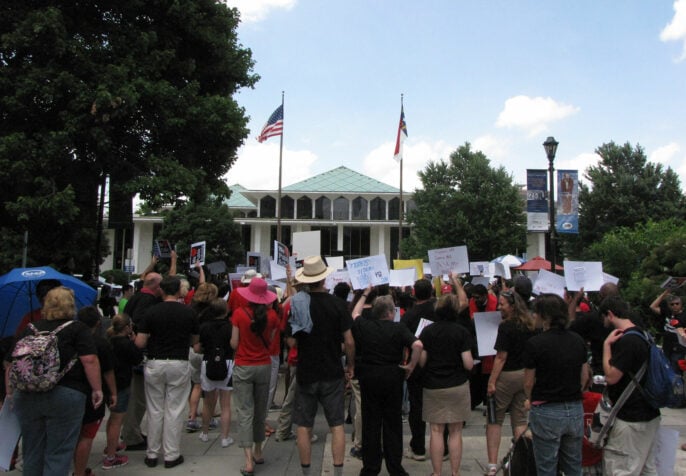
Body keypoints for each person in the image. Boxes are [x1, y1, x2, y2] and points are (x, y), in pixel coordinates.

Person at [6, 286, 103, 476]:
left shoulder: (29, 329)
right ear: (71, 305)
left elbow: (11, 363)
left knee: (32, 450)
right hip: (66, 393)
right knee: (59, 452)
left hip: (27, 395)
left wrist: (10, 392)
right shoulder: (77, 329)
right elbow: (89, 360)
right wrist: (97, 389)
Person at [289, 255, 355, 476]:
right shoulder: (338, 304)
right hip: (332, 370)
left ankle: (306, 471)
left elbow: (291, 340)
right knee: (336, 424)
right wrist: (351, 365)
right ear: (324, 278)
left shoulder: (298, 303)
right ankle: (338, 471)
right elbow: (349, 340)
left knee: (304, 425)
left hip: (307, 369)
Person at [352, 294, 423, 476]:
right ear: (391, 313)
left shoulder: (366, 326)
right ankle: (394, 467)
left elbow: (355, 314)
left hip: (370, 376)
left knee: (371, 423)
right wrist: (410, 367)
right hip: (392, 376)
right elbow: (417, 344)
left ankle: (371, 467)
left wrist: (365, 293)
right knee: (392, 424)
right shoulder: (398, 328)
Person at [134, 275, 199, 469]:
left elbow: (140, 342)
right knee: (175, 409)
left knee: (155, 409)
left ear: (161, 290)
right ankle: (171, 454)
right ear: (179, 290)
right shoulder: (188, 313)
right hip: (178, 360)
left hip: (155, 361)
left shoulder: (151, 312)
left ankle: (152, 453)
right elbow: (195, 340)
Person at [523, 294, 589, 476]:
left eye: (536, 313)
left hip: (546, 407)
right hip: (574, 406)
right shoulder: (577, 340)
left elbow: (528, 382)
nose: (533, 316)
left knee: (546, 466)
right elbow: (585, 376)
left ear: (545, 316)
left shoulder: (535, 344)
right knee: (574, 464)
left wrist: (529, 399)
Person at [600, 296, 660, 474]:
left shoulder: (628, 341)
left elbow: (611, 377)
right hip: (649, 412)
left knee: (621, 468)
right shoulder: (643, 334)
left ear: (610, 314)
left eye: (603, 317)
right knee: (647, 468)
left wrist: (606, 347)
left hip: (631, 416)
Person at [418, 293, 474, 476]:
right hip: (457, 384)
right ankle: (455, 472)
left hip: (434, 385)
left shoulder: (428, 331)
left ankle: (437, 472)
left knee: (436, 430)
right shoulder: (462, 332)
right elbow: (468, 363)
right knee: (456, 431)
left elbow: (422, 361)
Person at [484, 290, 537, 476]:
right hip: (525, 375)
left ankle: (492, 464)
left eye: (502, 304)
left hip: (506, 376)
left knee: (494, 419)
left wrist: (492, 381)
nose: (499, 307)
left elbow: (501, 357)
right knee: (520, 419)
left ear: (512, 306)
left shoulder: (505, 327)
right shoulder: (530, 325)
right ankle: (521, 461)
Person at [230, 277, 279, 476]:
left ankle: (248, 460)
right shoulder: (273, 316)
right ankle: (259, 451)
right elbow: (272, 339)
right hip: (263, 365)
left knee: (245, 412)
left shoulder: (239, 314)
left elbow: (234, 343)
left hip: (243, 364)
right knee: (260, 411)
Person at [72, 306, 119, 476]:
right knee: (87, 435)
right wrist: (113, 393)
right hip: (92, 393)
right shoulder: (100, 343)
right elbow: (108, 372)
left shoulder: (70, 340)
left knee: (74, 433)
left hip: (72, 390)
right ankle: (80, 471)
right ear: (98, 323)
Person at [121, 271, 162, 451]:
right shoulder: (147, 301)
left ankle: (131, 431)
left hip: (133, 352)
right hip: (141, 353)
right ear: (155, 286)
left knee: (137, 396)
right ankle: (131, 434)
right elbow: (139, 323)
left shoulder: (135, 298)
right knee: (138, 398)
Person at [103, 313, 143, 469]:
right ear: (127, 328)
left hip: (109, 384)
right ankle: (111, 457)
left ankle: (110, 446)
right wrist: (134, 341)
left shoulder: (109, 342)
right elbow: (137, 358)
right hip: (121, 383)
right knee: (117, 420)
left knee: (113, 419)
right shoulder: (125, 344)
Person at [194, 297, 235, 448]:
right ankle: (225, 437)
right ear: (226, 311)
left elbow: (197, 348)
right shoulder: (230, 326)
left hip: (208, 361)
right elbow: (234, 344)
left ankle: (204, 433)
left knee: (208, 402)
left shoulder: (204, 326)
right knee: (225, 404)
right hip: (227, 362)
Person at [650, 290, 686, 373]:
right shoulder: (668, 312)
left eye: (677, 303)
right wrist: (663, 294)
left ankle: (678, 385)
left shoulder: (684, 316)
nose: (675, 306)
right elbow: (652, 307)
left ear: (681, 304)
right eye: (672, 304)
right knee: (665, 369)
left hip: (679, 348)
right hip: (666, 345)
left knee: (675, 370)